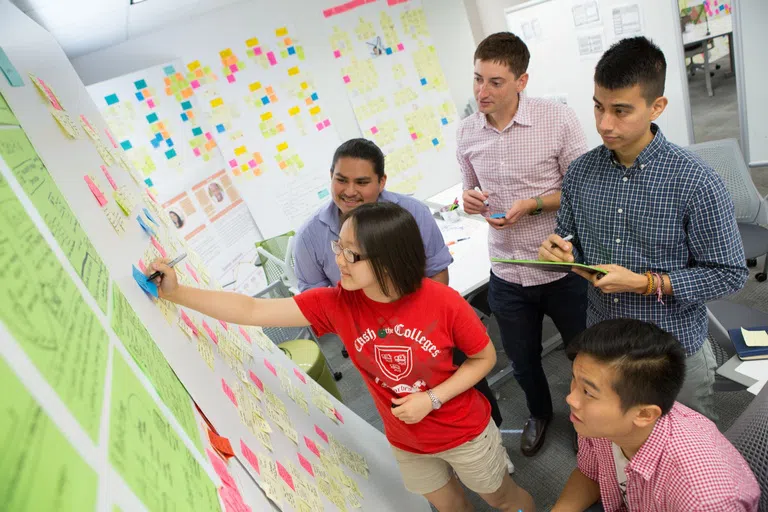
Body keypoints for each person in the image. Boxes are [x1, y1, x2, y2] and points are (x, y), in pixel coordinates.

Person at [150, 202, 536, 512]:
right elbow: (251, 311)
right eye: (340, 247)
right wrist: (177, 292)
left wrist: (431, 399)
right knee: (449, 507)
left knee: (500, 498)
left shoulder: (442, 301)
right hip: (406, 440)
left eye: (352, 254)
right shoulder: (336, 304)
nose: (339, 260)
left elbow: (483, 358)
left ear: (387, 259)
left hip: (461, 431)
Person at [538, 37, 747, 420]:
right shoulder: (581, 173)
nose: (604, 124)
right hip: (605, 344)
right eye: (598, 108)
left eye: (621, 111)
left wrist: (646, 283)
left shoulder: (696, 182)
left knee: (688, 454)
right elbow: (572, 244)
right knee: (619, 449)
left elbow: (730, 275)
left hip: (667, 352)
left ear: (657, 107)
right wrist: (560, 254)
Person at [294, 138, 507, 437]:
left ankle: (491, 439)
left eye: (362, 181)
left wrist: (422, 326)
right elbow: (319, 306)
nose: (350, 191)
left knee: (467, 387)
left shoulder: (411, 212)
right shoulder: (309, 237)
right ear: (330, 176)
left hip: (432, 329)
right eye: (341, 179)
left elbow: (436, 272)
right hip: (375, 343)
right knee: (405, 409)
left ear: (381, 182)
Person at [458, 32, 589, 456]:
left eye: (495, 82)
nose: (482, 91)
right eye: (477, 79)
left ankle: (590, 420)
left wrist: (533, 204)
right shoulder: (466, 133)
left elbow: (582, 188)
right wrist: (470, 201)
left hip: (561, 264)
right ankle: (540, 413)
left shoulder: (557, 119)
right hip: (507, 270)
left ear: (522, 80)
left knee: (586, 353)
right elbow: (469, 192)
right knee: (521, 361)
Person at [552, 319, 759, 512]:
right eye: (574, 380)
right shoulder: (594, 421)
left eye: (588, 392)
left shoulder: (702, 499)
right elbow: (590, 474)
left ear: (644, 414)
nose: (571, 399)